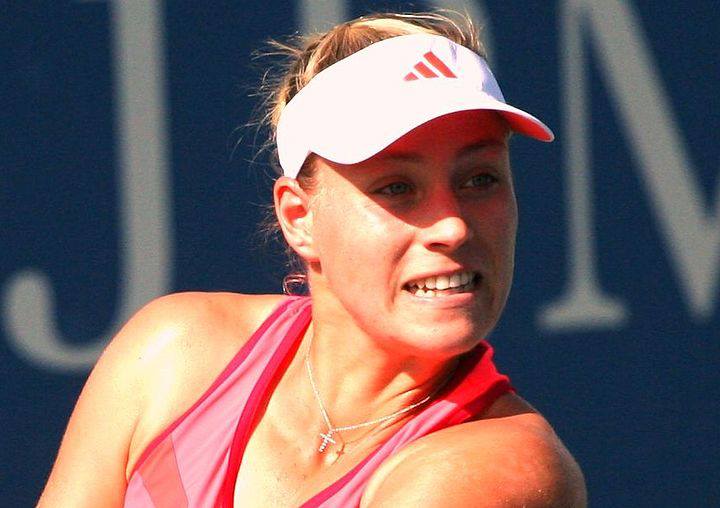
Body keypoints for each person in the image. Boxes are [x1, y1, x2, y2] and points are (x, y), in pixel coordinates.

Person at [38, 11, 586, 507]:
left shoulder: (499, 468)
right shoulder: (170, 351)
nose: (453, 225)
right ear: (299, 217)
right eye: (397, 187)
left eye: (480, 179)